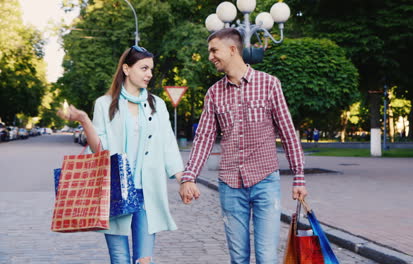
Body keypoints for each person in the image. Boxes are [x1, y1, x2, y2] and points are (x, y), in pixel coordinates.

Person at [178, 28, 308, 264]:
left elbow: (288, 133)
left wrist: (299, 176)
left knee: (266, 257)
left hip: (265, 181)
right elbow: (204, 138)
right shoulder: (214, 94)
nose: (210, 57)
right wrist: (189, 177)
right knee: (238, 258)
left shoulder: (269, 84)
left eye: (213, 50)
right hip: (230, 184)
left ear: (232, 49)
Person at [57, 45, 184, 264]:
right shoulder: (104, 105)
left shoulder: (157, 105)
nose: (149, 74)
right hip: (116, 191)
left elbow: (168, 145)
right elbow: (100, 150)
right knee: (119, 258)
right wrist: (84, 120)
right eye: (144, 68)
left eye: (151, 69)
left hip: (146, 192)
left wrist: (184, 180)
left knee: (145, 259)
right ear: (126, 68)